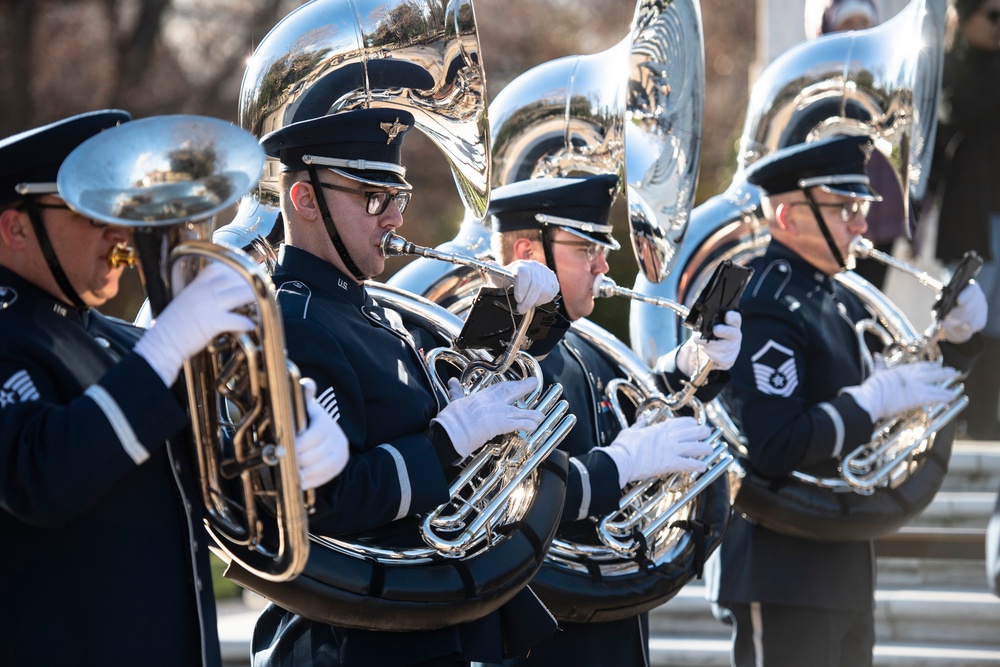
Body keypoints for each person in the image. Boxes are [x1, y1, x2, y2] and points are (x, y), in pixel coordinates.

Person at [0, 111, 349, 666]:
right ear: (16, 226)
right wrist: (163, 350)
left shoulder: (115, 338)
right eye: (90, 209)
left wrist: (290, 449)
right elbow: (41, 478)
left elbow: (202, 495)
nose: (121, 230)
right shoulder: (18, 335)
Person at [248, 108, 565, 667]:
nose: (394, 217)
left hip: (419, 624)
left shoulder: (366, 311)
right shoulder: (296, 321)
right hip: (352, 641)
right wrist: (447, 441)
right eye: (373, 197)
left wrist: (519, 327)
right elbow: (326, 502)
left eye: (399, 197)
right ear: (304, 200)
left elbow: (428, 406)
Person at [707, 134, 987, 667]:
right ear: (787, 216)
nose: (862, 224)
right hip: (783, 568)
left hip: (840, 559)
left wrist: (956, 346)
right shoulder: (766, 302)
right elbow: (774, 444)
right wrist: (873, 399)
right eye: (846, 209)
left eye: (861, 208)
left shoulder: (829, 296)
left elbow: (889, 412)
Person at [487, 173, 742, 667]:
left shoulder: (583, 343)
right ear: (529, 250)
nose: (604, 265)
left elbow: (631, 411)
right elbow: (507, 500)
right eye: (587, 249)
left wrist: (694, 367)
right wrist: (616, 468)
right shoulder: (496, 354)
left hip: (611, 621)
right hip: (541, 640)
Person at [929, 0, 1000, 439]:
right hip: (969, 221)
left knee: (996, 328)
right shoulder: (948, 67)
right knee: (961, 323)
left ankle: (986, 424)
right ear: (963, 17)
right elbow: (963, 108)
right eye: (992, 16)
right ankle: (950, 421)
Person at [804, 0, 910, 291]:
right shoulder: (814, 78)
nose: (859, 32)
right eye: (849, 24)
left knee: (872, 299)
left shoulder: (886, 74)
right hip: (836, 206)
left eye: (865, 24)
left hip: (882, 211)